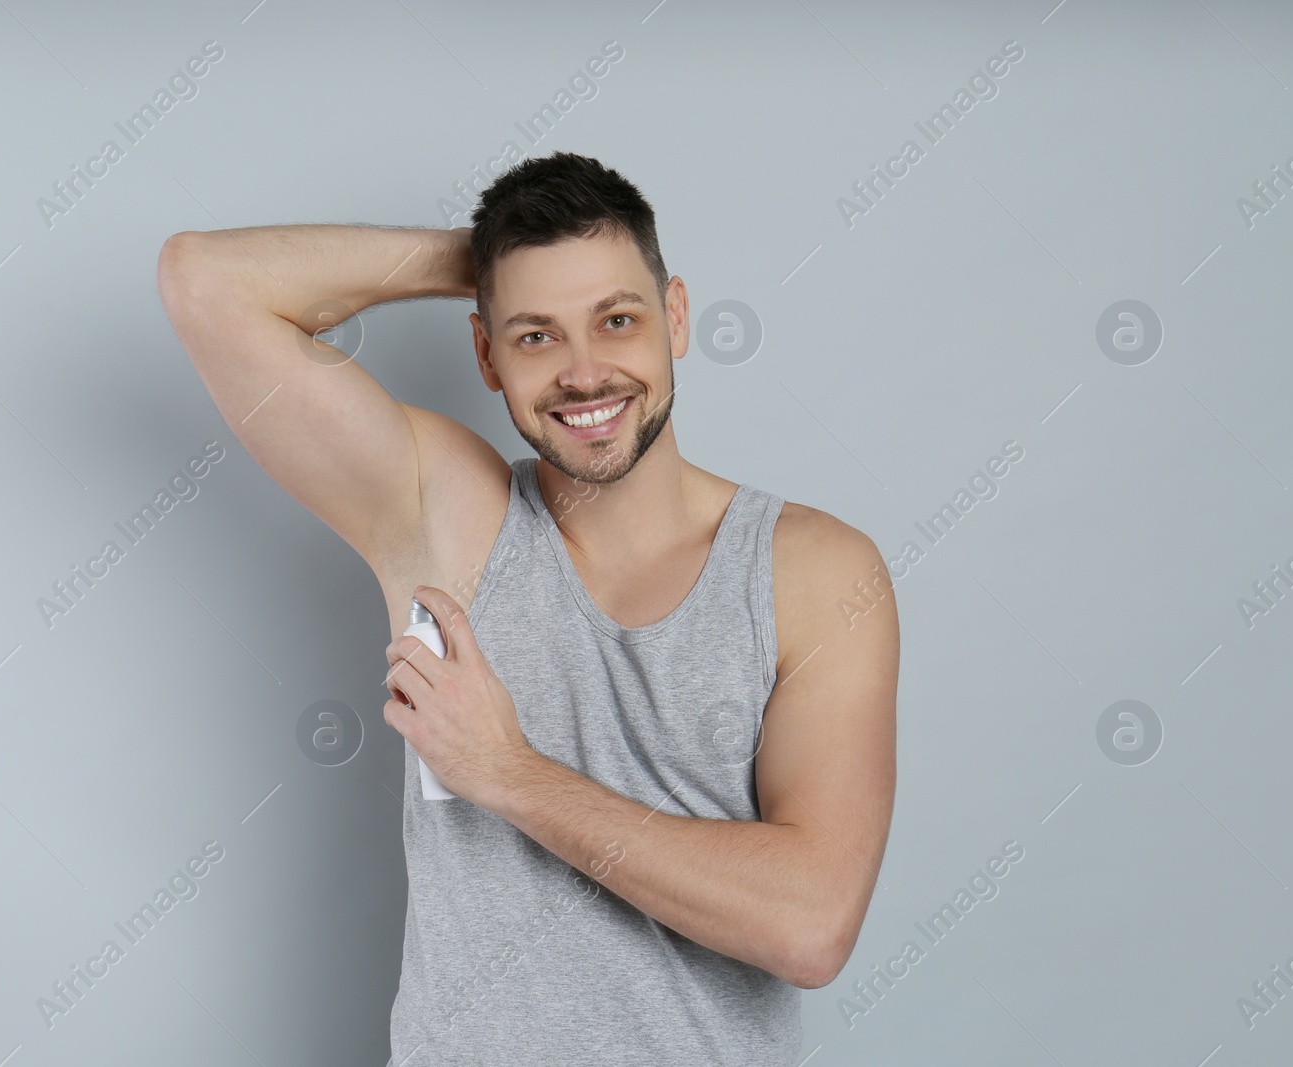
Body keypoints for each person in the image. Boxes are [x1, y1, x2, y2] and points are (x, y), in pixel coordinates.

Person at [156, 151, 898, 1065]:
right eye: (536, 335)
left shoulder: (812, 572)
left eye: (617, 320)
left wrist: (506, 771)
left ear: (675, 317)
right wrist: (480, 255)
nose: (586, 375)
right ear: (486, 354)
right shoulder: (444, 513)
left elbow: (811, 924)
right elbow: (204, 280)